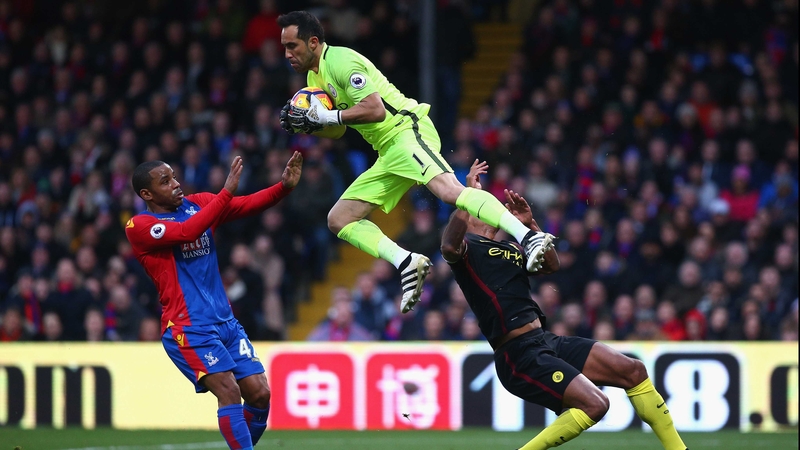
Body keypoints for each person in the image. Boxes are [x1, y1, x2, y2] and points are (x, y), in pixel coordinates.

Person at [276, 11, 554, 314]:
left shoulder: (341, 61)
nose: (287, 53)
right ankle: (407, 261)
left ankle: (529, 236)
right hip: (388, 151)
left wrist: (327, 115)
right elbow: (340, 128)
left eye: (293, 46)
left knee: (449, 191)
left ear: (313, 42)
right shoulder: (314, 78)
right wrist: (310, 123)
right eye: (285, 47)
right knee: (339, 218)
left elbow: (375, 110)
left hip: (406, 131)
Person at [440, 160, 688, 450]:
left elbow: (550, 266)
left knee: (633, 370)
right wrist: (466, 198)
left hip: (544, 341)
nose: (493, 211)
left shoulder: (511, 246)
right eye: (483, 207)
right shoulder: (466, 252)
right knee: (596, 404)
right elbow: (448, 246)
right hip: (517, 354)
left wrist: (531, 228)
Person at [125, 153, 303, 450]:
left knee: (260, 394)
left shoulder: (201, 203)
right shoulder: (140, 225)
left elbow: (246, 205)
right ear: (147, 194)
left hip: (226, 322)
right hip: (187, 326)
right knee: (229, 391)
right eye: (165, 181)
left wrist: (283, 187)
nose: (176, 184)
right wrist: (224, 194)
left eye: (175, 177)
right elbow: (187, 232)